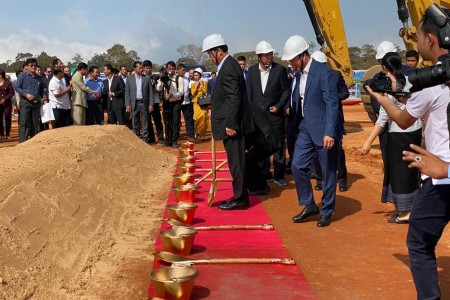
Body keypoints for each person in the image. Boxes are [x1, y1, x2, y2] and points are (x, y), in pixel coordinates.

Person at [365, 8, 450, 298]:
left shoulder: (430, 81)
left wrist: (381, 99)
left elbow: (403, 119)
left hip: (441, 180)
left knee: (418, 244)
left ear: (431, 38)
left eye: (419, 36)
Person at [282, 35, 342, 227]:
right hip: (306, 127)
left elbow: (332, 103)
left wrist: (330, 132)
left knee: (327, 172)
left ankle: (326, 210)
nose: (291, 64)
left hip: (325, 129)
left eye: (292, 60)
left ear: (302, 56)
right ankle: (309, 204)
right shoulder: (298, 75)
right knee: (297, 165)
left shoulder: (323, 73)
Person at [362, 52, 422, 224]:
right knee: (409, 171)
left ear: (384, 68)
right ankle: (405, 209)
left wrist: (368, 141)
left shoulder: (394, 87)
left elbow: (383, 118)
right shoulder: (409, 81)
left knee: (401, 173)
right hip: (413, 132)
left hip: (399, 134)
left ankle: (405, 213)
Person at [202, 33, 249, 210]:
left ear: (219, 51)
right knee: (234, 161)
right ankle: (239, 195)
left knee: (236, 162)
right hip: (231, 122)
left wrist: (231, 123)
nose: (209, 57)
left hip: (232, 125)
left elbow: (233, 97)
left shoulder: (228, 66)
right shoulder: (228, 65)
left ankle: (240, 198)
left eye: (210, 53)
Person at [246, 41, 290, 191]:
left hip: (275, 115)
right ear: (259, 56)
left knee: (278, 145)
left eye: (270, 54)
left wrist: (279, 106)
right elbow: (249, 94)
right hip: (258, 119)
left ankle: (279, 176)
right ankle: (265, 174)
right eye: (266, 55)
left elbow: (286, 90)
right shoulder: (251, 71)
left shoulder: (280, 70)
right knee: (260, 145)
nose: (269, 57)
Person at [309, 50, 350, 192]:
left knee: (337, 149)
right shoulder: (308, 76)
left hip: (334, 118)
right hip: (316, 120)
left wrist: (332, 98)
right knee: (315, 150)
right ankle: (320, 178)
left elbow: (345, 93)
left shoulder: (335, 75)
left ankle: (342, 179)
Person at [15, 58, 45, 142]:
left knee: (35, 123)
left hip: (36, 103)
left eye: (35, 65)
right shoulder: (22, 76)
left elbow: (42, 90)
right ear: (27, 67)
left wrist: (43, 97)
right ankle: (22, 142)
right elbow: (17, 87)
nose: (33, 67)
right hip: (25, 103)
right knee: (24, 123)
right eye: (31, 65)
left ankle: (33, 142)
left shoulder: (39, 78)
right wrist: (26, 94)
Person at [156, 61, 184, 147]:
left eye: (173, 69)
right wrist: (161, 80)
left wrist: (172, 95)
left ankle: (174, 140)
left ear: (175, 69)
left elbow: (181, 92)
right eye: (169, 69)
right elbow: (158, 88)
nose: (171, 70)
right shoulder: (163, 77)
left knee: (175, 122)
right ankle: (167, 140)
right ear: (167, 69)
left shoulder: (179, 79)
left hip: (175, 102)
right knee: (167, 122)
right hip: (166, 103)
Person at [125, 60, 154, 142]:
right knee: (135, 122)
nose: (141, 69)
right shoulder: (129, 79)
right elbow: (127, 92)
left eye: (142, 68)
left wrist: (151, 104)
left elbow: (150, 92)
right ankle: (136, 139)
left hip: (144, 103)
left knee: (145, 122)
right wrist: (128, 104)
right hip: (134, 103)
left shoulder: (147, 78)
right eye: (139, 68)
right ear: (134, 68)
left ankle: (145, 139)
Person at [190, 68, 209, 141]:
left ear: (200, 75)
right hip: (196, 103)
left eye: (197, 75)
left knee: (204, 118)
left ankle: (202, 134)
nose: (195, 77)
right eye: (194, 75)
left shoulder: (205, 83)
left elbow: (204, 92)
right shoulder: (193, 84)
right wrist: (196, 86)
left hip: (203, 103)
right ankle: (197, 133)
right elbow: (193, 93)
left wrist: (201, 84)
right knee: (197, 118)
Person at [178, 63, 195, 141]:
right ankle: (177, 134)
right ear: (178, 70)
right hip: (177, 102)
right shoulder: (175, 79)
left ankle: (191, 135)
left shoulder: (187, 79)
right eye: (182, 70)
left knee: (189, 119)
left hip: (187, 102)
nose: (184, 72)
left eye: (184, 70)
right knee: (176, 120)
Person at [0, 69, 15, 141]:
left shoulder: (8, 83)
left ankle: (8, 134)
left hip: (7, 104)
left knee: (7, 118)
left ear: (1, 75)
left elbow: (12, 93)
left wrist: (5, 99)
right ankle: (2, 135)